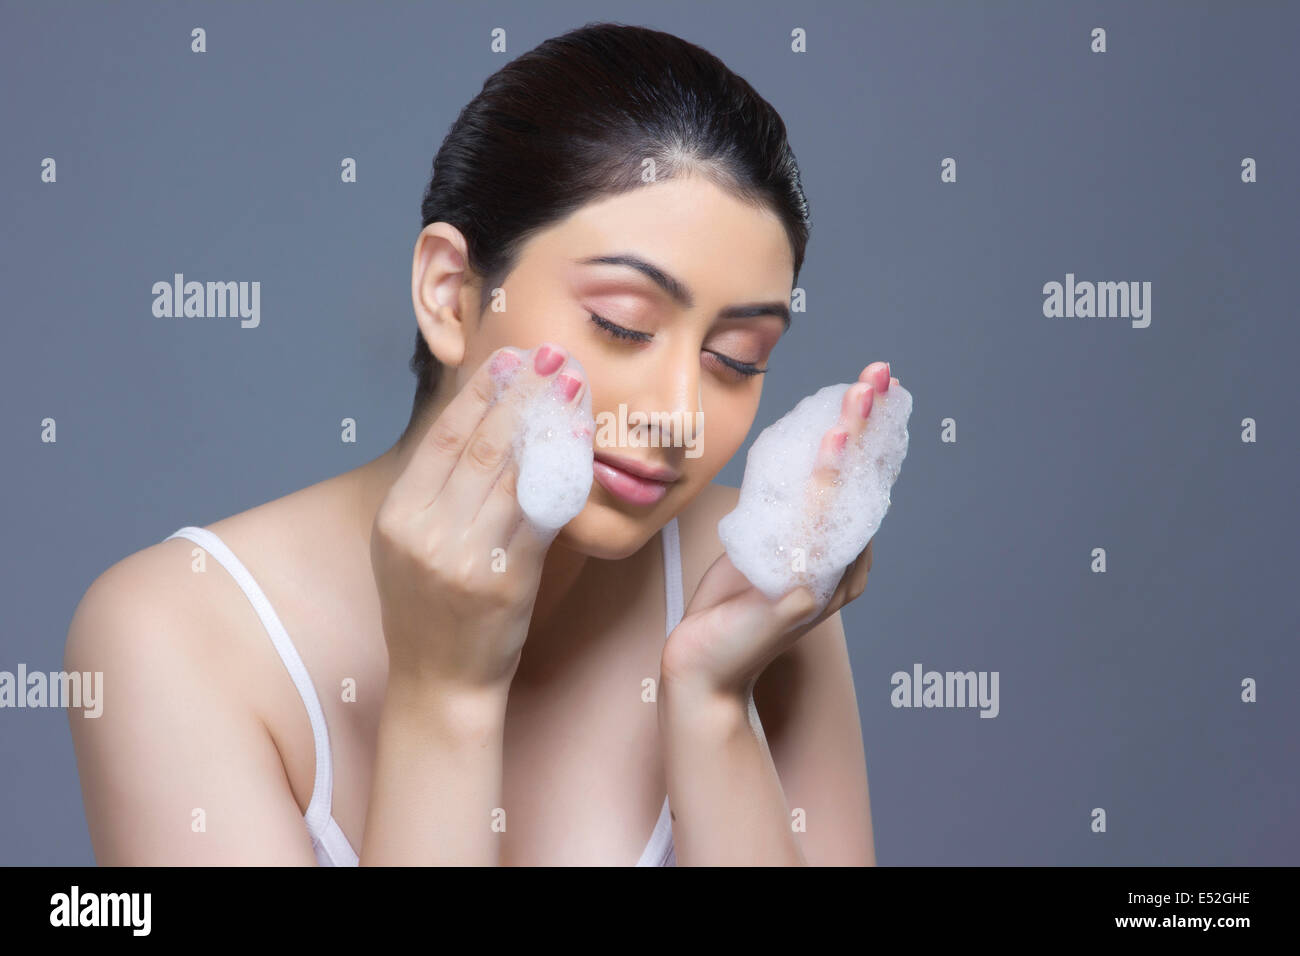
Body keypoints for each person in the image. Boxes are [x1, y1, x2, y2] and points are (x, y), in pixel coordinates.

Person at [65, 22, 892, 866]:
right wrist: (444, 697)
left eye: (735, 359)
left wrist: (716, 703)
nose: (677, 413)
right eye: (622, 324)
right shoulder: (176, 632)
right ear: (451, 293)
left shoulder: (754, 590)